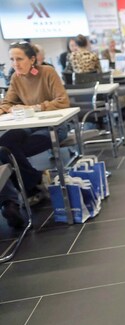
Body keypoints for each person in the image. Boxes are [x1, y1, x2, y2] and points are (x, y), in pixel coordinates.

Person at [0, 42, 70, 227]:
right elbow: (8, 102)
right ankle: (34, 181)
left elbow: (62, 101)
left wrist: (35, 107)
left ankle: (27, 189)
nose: (15, 63)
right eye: (12, 60)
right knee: (4, 145)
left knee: (10, 151)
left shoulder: (47, 72)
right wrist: (3, 109)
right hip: (29, 125)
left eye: (19, 59)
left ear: (32, 59)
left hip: (54, 126)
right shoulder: (16, 77)